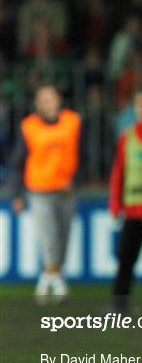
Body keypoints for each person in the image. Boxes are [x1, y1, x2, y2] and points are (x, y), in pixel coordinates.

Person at [8, 83, 81, 304]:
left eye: (52, 97)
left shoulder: (73, 122)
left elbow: (84, 154)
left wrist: (75, 180)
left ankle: (48, 277)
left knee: (63, 236)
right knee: (48, 237)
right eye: (44, 99)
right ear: (38, 104)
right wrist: (17, 194)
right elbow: (17, 162)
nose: (49, 103)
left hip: (66, 190)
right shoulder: (29, 127)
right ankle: (56, 281)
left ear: (60, 99)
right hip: (39, 190)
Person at [108, 89, 142, 313]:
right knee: (125, 257)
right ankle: (119, 304)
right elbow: (119, 171)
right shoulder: (127, 136)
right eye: (140, 105)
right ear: (135, 109)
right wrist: (115, 203)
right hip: (132, 207)